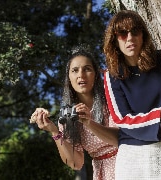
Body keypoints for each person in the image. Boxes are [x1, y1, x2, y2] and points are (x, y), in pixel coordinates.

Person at [80, 10, 161, 179]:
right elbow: (123, 119)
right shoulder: (111, 76)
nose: (130, 38)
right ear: (114, 40)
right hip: (132, 155)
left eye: (135, 31)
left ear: (143, 35)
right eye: (122, 33)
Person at [29, 46, 118, 180]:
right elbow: (76, 163)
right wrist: (54, 131)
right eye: (75, 70)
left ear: (95, 74)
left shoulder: (112, 99)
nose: (81, 75)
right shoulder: (68, 117)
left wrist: (89, 122)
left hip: (127, 162)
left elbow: (120, 139)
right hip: (103, 173)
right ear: (69, 77)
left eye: (87, 69)